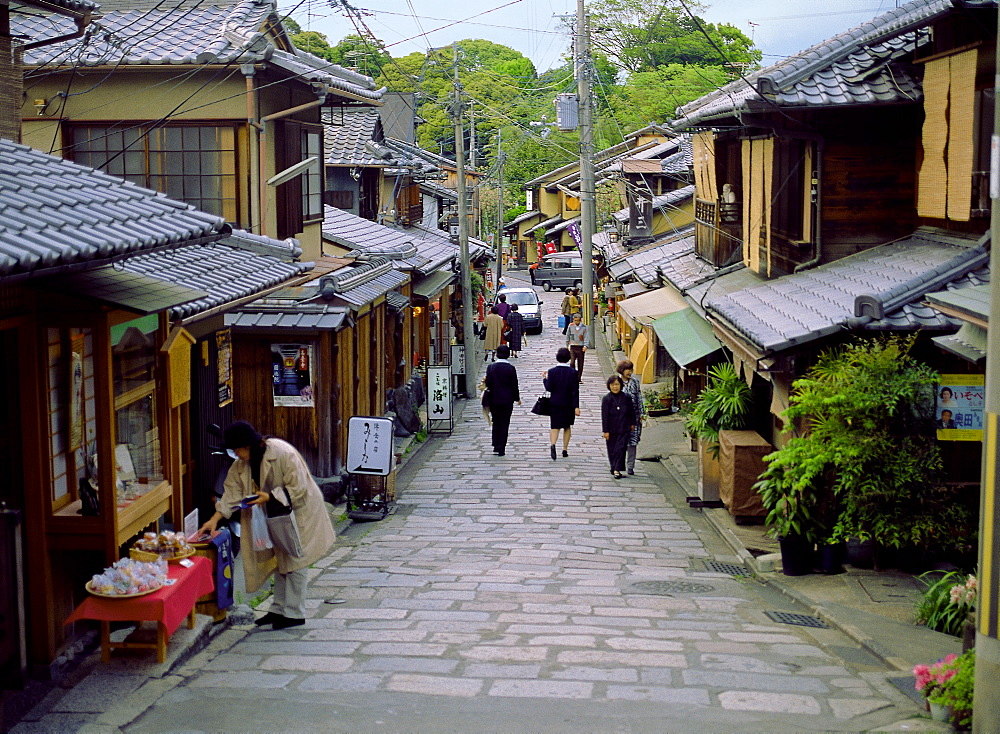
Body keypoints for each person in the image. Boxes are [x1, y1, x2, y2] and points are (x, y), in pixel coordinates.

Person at [198, 421, 334, 629]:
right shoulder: (241, 464)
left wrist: (269, 497)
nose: (236, 454)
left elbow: (299, 487)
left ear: (248, 445)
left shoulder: (282, 452)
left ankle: (295, 612)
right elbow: (232, 492)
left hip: (298, 510)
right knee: (280, 560)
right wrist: (215, 518)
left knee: (295, 557)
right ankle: (279, 608)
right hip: (272, 514)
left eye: (237, 449)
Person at [543, 347, 580, 460]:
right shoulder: (573, 373)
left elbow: (549, 388)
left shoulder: (552, 371)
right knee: (567, 426)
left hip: (555, 403)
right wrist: (576, 406)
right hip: (568, 403)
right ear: (569, 358)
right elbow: (575, 391)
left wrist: (545, 379)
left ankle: (553, 444)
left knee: (555, 426)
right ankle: (565, 449)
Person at [485, 345, 520, 456]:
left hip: (494, 399)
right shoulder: (510, 368)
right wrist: (517, 398)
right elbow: (514, 385)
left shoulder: (491, 367)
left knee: (496, 421)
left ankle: (495, 444)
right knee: (505, 422)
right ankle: (502, 447)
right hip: (507, 399)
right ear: (508, 354)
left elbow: (488, 383)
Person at [602, 375, 636, 479]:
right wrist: (605, 431)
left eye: (616, 384)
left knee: (620, 449)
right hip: (611, 429)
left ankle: (617, 469)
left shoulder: (626, 397)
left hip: (624, 427)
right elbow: (604, 416)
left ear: (621, 385)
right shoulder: (606, 399)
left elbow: (631, 411)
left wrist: (633, 423)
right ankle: (614, 467)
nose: (614, 387)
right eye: (612, 385)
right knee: (612, 449)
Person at [617, 359, 646, 475]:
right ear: (622, 371)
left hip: (633, 416)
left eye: (631, 369)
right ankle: (618, 465)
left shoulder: (634, 382)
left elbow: (639, 397)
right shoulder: (616, 382)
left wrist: (642, 413)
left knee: (633, 442)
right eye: (627, 370)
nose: (629, 372)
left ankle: (630, 466)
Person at [565, 312, 588, 379]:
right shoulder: (571, 326)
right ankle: (573, 376)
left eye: (577, 320)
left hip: (580, 347)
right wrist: (567, 345)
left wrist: (585, 346)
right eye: (575, 320)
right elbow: (568, 335)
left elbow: (586, 337)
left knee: (580, 364)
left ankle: (579, 377)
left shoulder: (584, 327)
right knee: (572, 362)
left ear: (580, 320)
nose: (576, 322)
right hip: (573, 346)